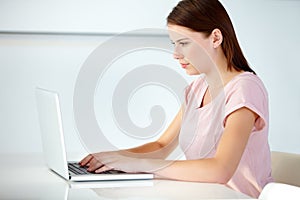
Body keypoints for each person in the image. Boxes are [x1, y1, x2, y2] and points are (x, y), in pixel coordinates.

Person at [80, 0, 273, 198]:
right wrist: (115, 159)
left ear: (215, 38)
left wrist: (140, 164)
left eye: (184, 43)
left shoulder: (245, 88)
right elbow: (162, 146)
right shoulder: (196, 89)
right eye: (174, 44)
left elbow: (220, 169)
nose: (176, 54)